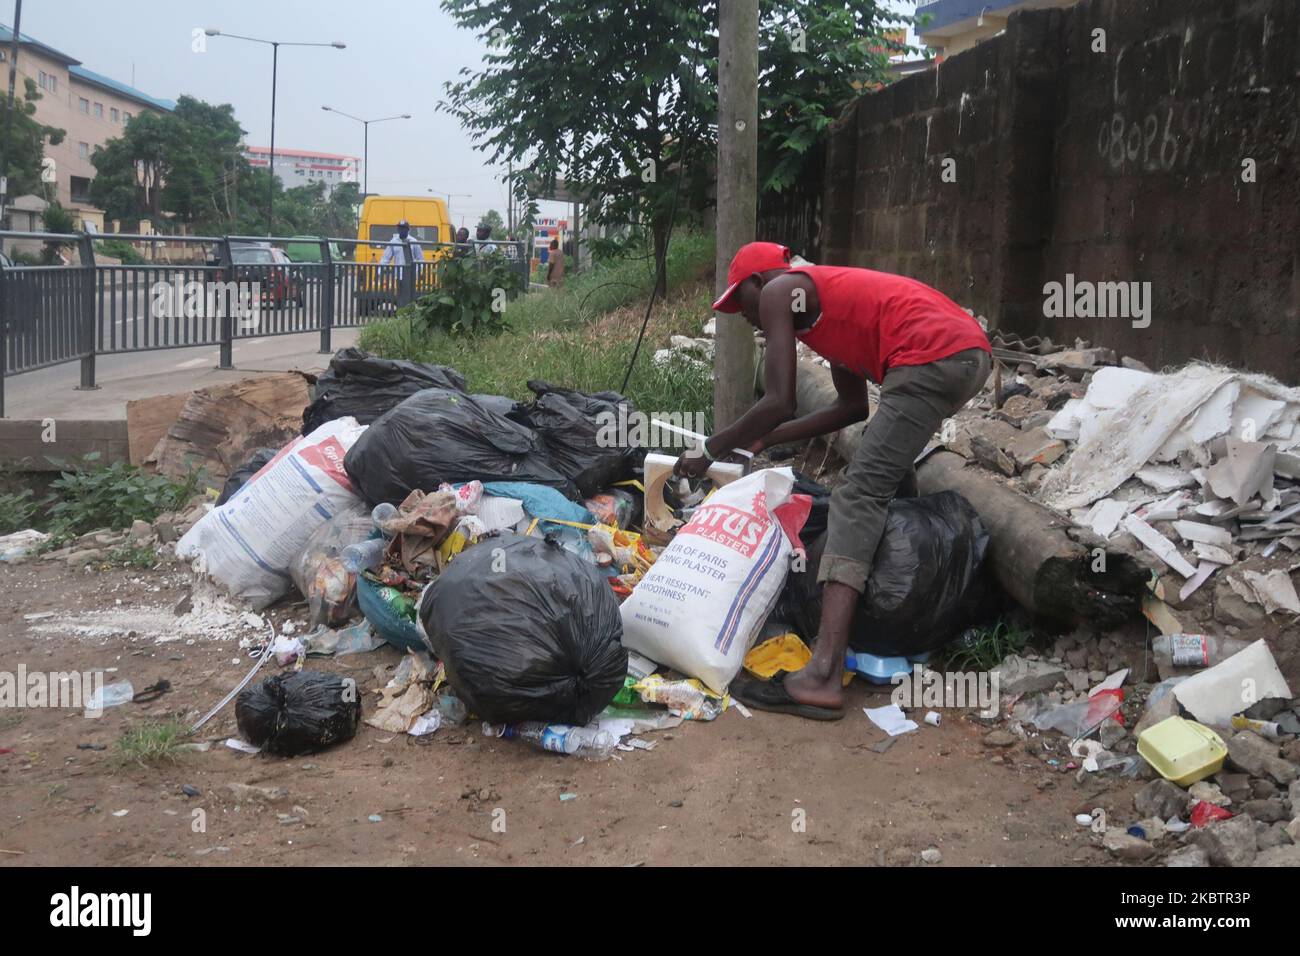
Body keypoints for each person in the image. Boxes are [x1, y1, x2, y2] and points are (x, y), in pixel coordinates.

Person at [675, 242, 991, 720]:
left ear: (761, 283)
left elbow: (780, 398)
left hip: (934, 355)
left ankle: (822, 672)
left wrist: (710, 449)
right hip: (960, 355)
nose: (751, 320)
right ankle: (907, 611)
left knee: (857, 495)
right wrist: (763, 441)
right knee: (883, 472)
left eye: (744, 306)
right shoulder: (826, 314)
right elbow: (851, 408)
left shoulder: (783, 289)